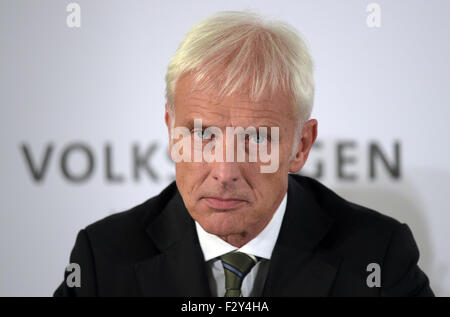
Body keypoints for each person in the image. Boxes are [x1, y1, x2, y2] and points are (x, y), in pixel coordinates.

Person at [54, 10, 433, 297]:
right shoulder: (102, 259)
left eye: (255, 138)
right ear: (171, 132)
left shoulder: (377, 256)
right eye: (203, 134)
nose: (224, 170)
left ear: (301, 146)